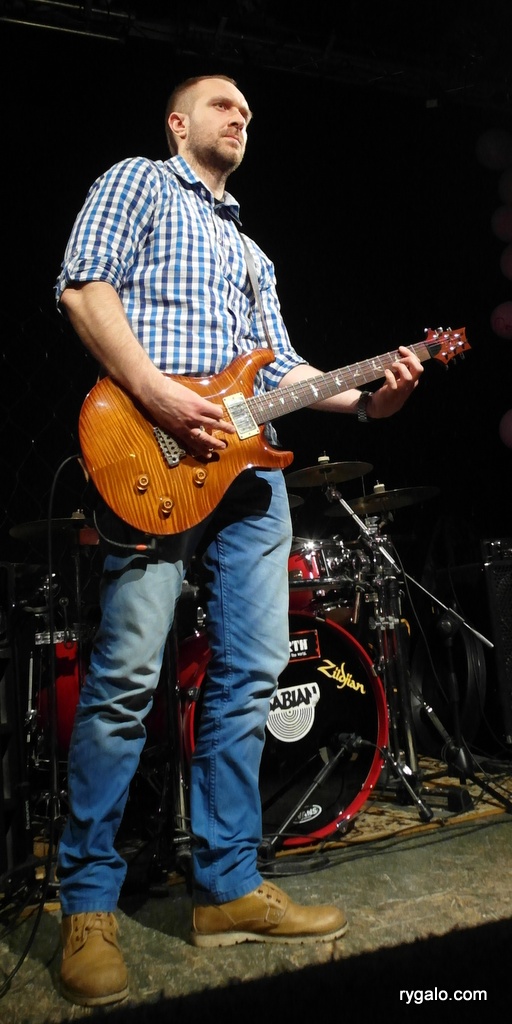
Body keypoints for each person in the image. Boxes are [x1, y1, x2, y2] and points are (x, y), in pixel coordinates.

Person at [54, 73, 423, 1007]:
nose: (242, 117)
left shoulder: (253, 253)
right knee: (127, 677)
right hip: (152, 454)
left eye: (249, 113)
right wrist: (157, 394)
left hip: (251, 483)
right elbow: (83, 290)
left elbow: (284, 368)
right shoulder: (139, 181)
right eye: (224, 105)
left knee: (252, 676)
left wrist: (370, 397)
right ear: (178, 122)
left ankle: (226, 888)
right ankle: (88, 903)